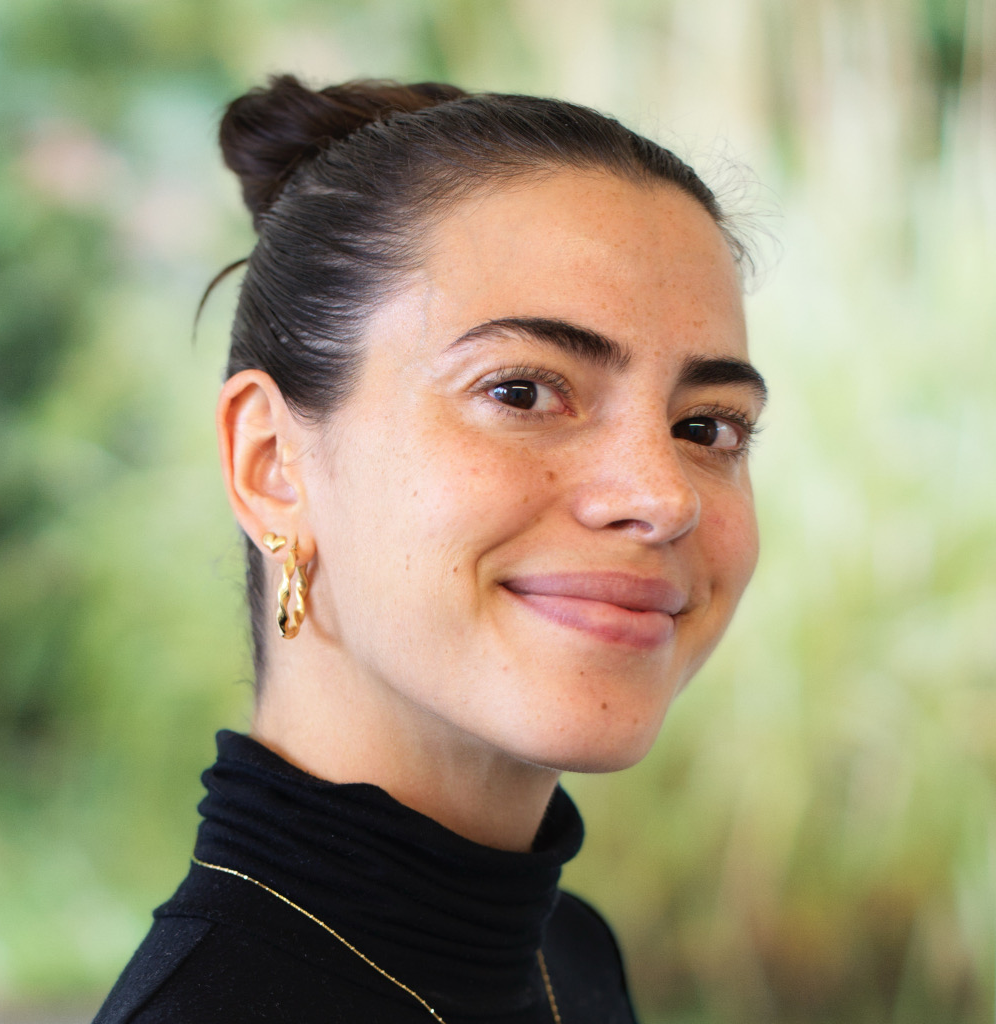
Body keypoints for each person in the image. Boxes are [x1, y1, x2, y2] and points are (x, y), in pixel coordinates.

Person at [93, 74, 767, 1024]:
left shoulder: (570, 958)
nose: (662, 497)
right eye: (522, 391)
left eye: (706, 427)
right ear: (272, 465)